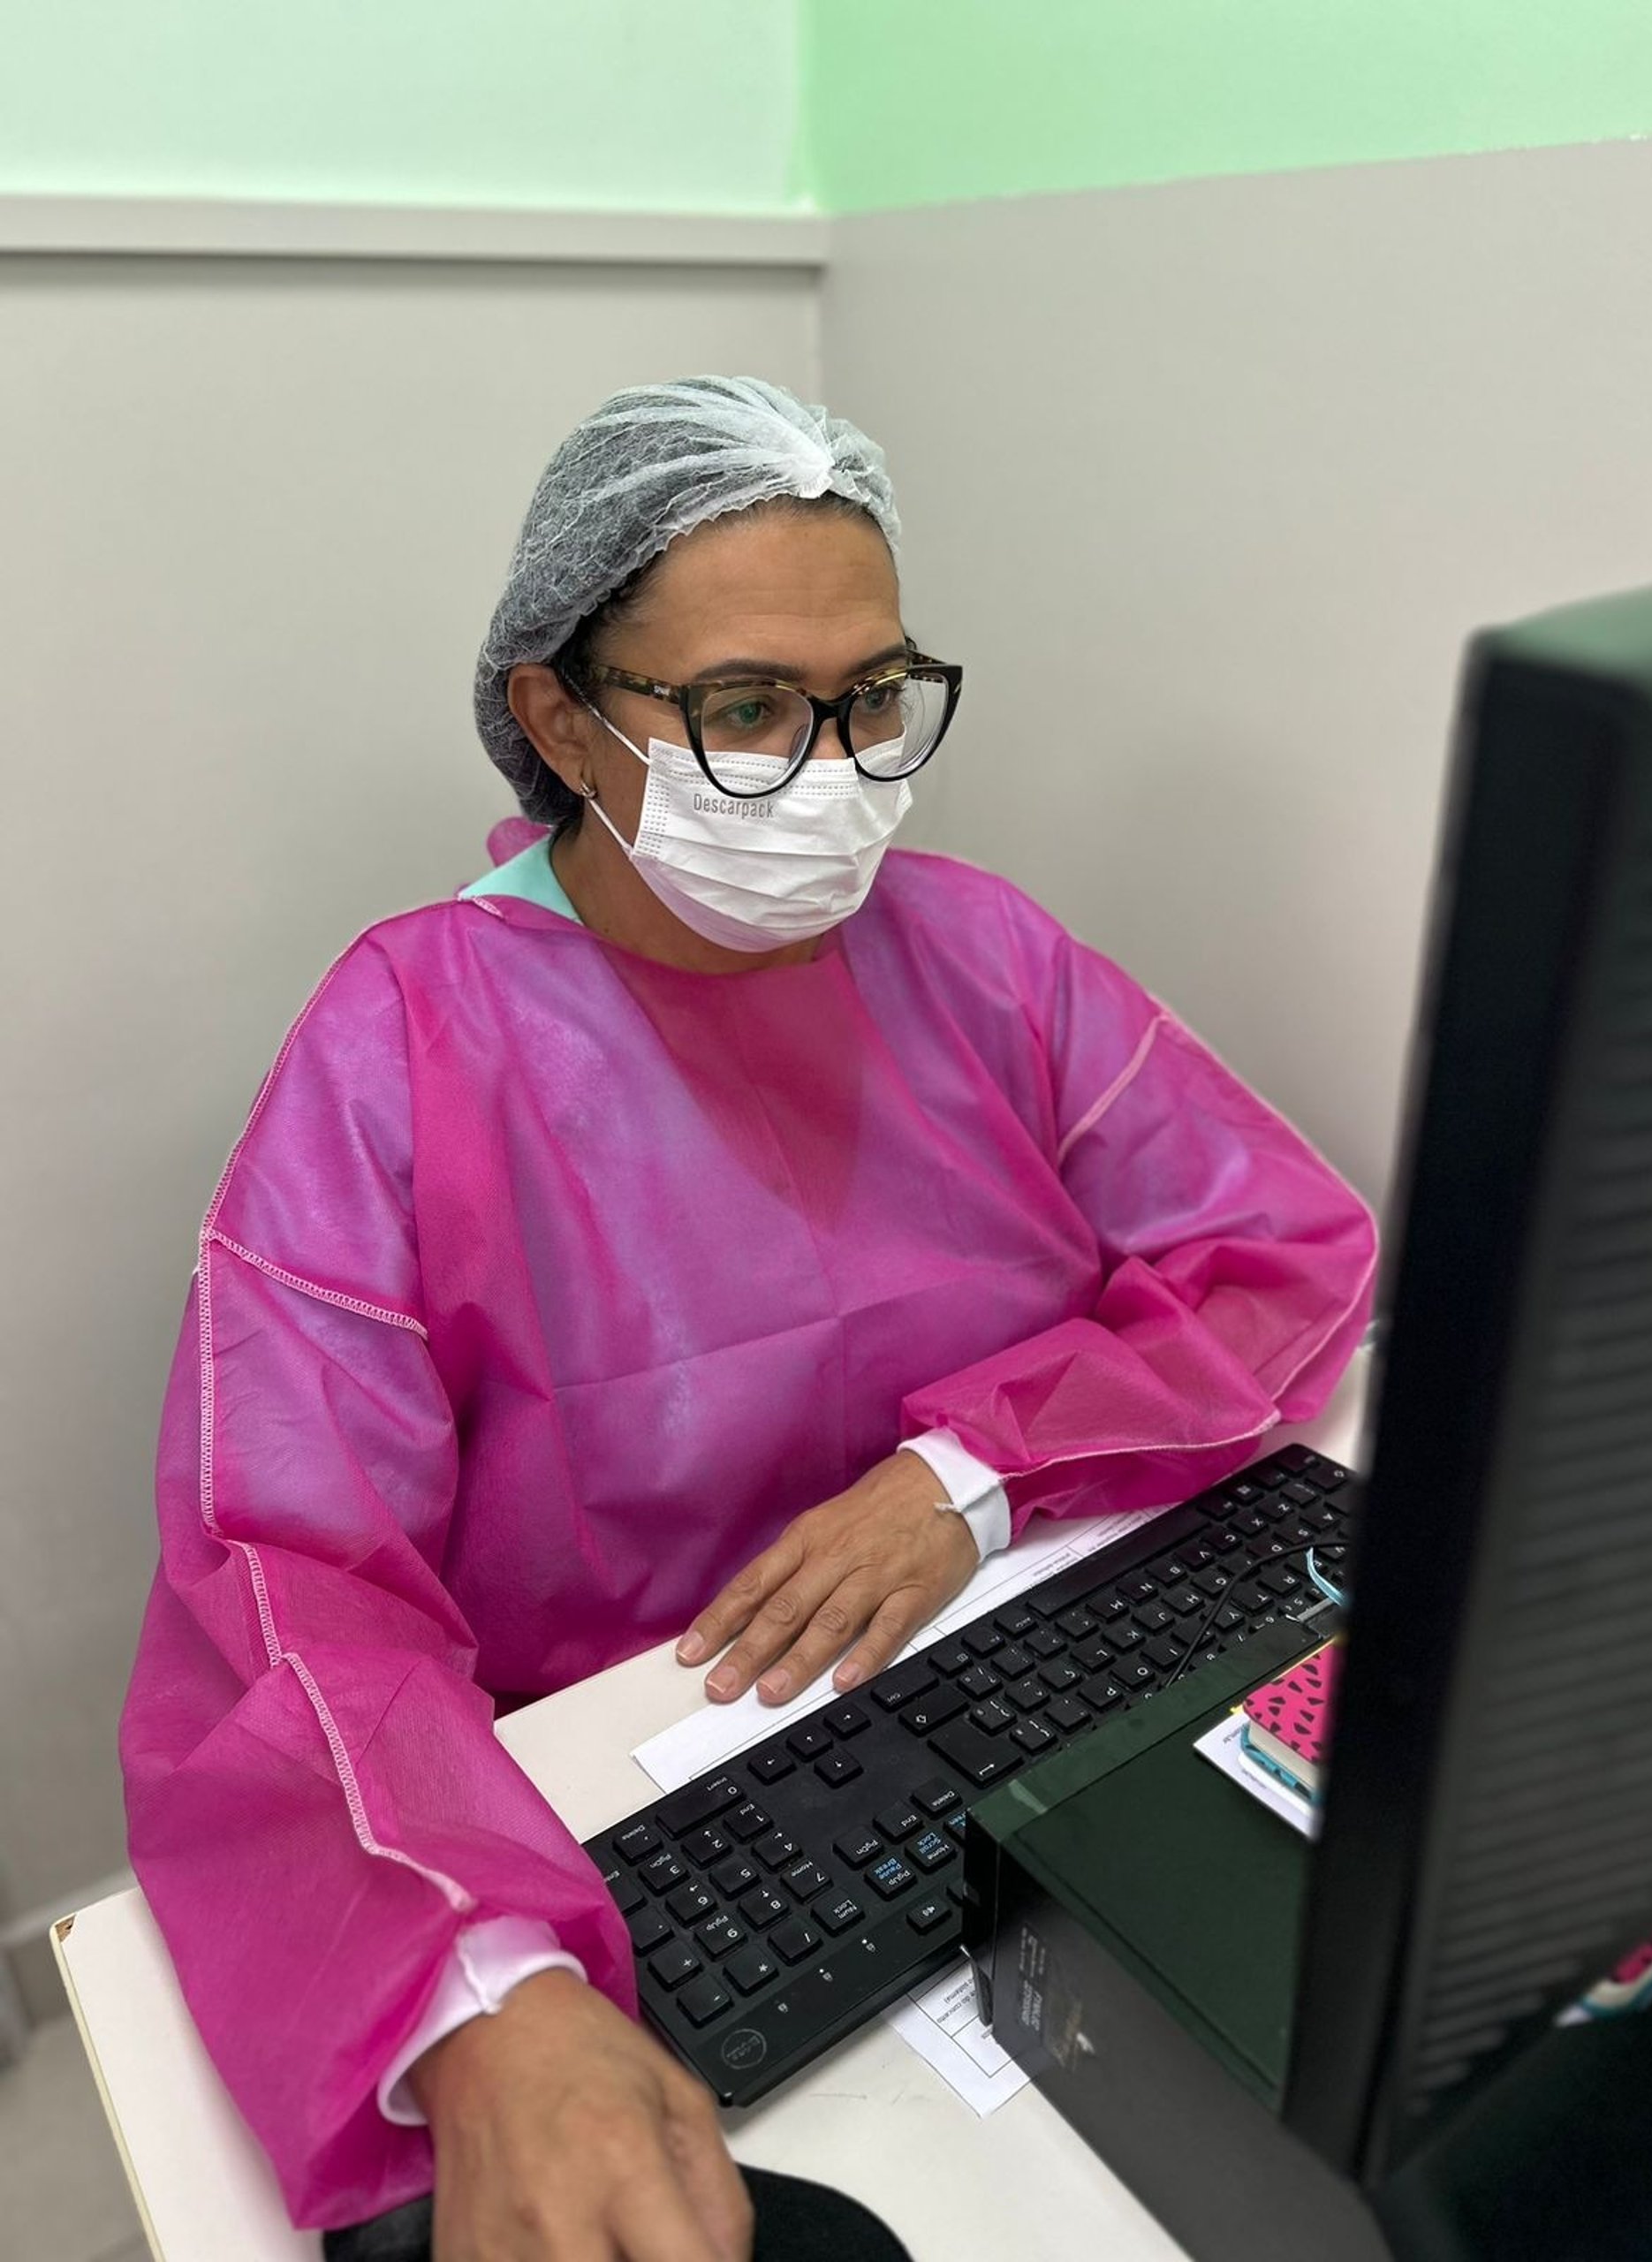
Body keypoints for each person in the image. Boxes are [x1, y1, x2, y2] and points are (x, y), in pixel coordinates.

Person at [120, 376, 1377, 2256]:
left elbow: (1278, 1248)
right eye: (747, 709)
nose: (839, 766)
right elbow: (282, 1587)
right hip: (637, 1777)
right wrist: (482, 1999)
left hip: (986, 1653)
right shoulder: (404, 1044)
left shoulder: (980, 955)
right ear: (558, 711)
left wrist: (967, 1475)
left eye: (876, 696)